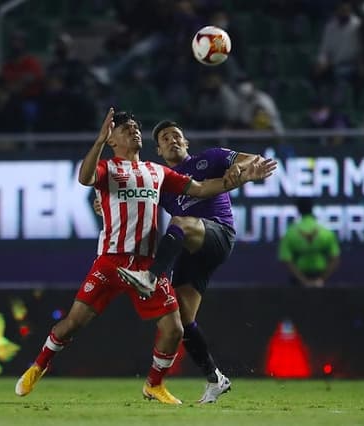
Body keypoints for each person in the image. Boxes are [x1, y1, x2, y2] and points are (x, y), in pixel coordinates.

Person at [15, 109, 276, 404]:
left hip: (150, 263)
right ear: (112, 140)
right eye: (126, 129)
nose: (134, 131)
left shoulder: (158, 173)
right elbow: (86, 178)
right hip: (111, 261)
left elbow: (203, 188)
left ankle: (154, 384)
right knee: (77, 323)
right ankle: (38, 366)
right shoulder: (110, 169)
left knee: (174, 319)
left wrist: (240, 179)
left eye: (136, 127)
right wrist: (98, 142)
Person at [101, 120, 272, 403]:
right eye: (165, 138)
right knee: (182, 319)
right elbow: (132, 198)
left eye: (176, 135)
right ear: (158, 149)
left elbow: (251, 159)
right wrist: (104, 202)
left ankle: (151, 276)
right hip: (191, 248)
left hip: (217, 233)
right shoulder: (161, 179)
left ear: (186, 143)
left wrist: (246, 169)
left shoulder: (212, 158)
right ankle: (215, 379)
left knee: (180, 221)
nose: (172, 140)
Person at [278, 197, 340, 288]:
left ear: (298, 210)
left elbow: (287, 260)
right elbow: (335, 258)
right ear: (312, 209)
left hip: (298, 282)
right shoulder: (326, 232)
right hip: (320, 280)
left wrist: (304, 281)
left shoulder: (290, 233)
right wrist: (321, 280)